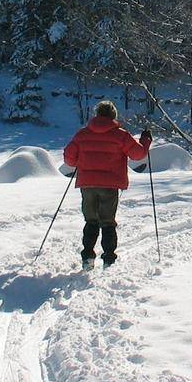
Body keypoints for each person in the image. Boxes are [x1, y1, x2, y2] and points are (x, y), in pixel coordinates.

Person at [63, 100, 152, 268]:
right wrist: (145, 140)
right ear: (113, 115)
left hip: (87, 185)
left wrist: (81, 159)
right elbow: (138, 154)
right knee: (108, 221)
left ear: (97, 114)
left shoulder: (82, 134)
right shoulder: (120, 135)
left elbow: (69, 158)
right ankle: (109, 259)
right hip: (110, 185)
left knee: (91, 220)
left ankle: (88, 256)